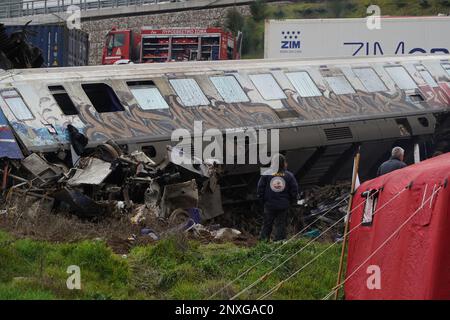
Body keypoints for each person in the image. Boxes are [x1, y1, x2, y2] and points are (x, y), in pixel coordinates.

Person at [257, 154, 299, 241]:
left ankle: (263, 242)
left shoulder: (266, 174)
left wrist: (262, 202)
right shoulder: (289, 175)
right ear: (284, 164)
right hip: (283, 205)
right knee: (281, 224)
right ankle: (279, 242)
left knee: (267, 224)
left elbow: (260, 190)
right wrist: (291, 202)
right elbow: (294, 191)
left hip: (269, 205)